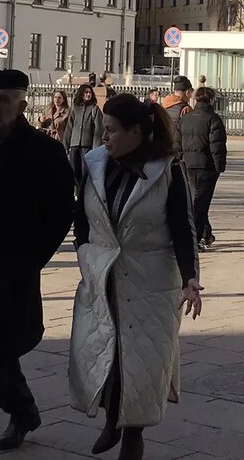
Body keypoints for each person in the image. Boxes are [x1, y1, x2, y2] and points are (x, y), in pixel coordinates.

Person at [69, 94, 201, 460]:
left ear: (137, 132)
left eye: (111, 131)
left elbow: (182, 226)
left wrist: (191, 278)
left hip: (151, 280)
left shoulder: (167, 170)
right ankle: (113, 417)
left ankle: (132, 437)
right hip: (103, 275)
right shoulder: (94, 164)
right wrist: (84, 252)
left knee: (142, 364)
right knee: (104, 350)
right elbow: (81, 217)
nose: (105, 137)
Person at [0, 70, 74, 459]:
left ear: (22, 105)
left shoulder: (44, 152)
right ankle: (24, 412)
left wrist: (31, 259)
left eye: (2, 99)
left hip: (15, 271)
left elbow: (61, 213)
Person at [175, 86, 226, 249]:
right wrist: (219, 167)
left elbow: (177, 143)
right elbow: (217, 146)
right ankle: (193, 240)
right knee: (200, 204)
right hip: (206, 166)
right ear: (211, 100)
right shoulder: (213, 119)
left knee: (195, 200)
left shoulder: (185, 118)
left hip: (188, 165)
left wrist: (179, 161)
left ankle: (206, 234)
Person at [64, 84, 104, 183]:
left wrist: (96, 148)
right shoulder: (75, 110)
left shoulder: (94, 109)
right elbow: (69, 129)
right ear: (81, 94)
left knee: (85, 171)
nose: (88, 94)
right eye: (86, 92)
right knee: (74, 172)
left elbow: (98, 129)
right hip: (75, 145)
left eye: (90, 92)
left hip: (87, 146)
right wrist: (65, 146)